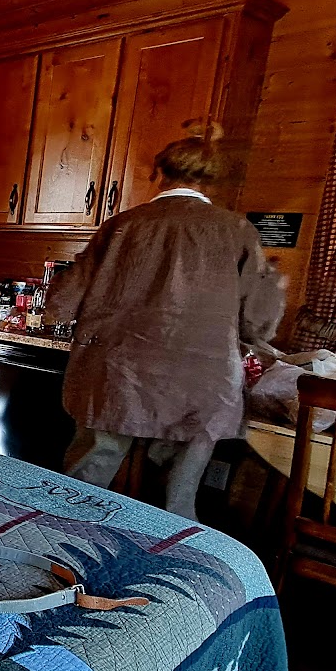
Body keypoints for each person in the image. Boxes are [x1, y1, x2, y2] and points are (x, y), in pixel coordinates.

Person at [43, 122, 285, 519]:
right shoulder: (237, 230)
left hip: (118, 371)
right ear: (211, 181)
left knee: (88, 474)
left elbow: (63, 300)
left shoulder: (122, 225)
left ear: (159, 173)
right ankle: (173, 564)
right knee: (180, 495)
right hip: (202, 378)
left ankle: (59, 537)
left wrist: (61, 313)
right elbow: (258, 319)